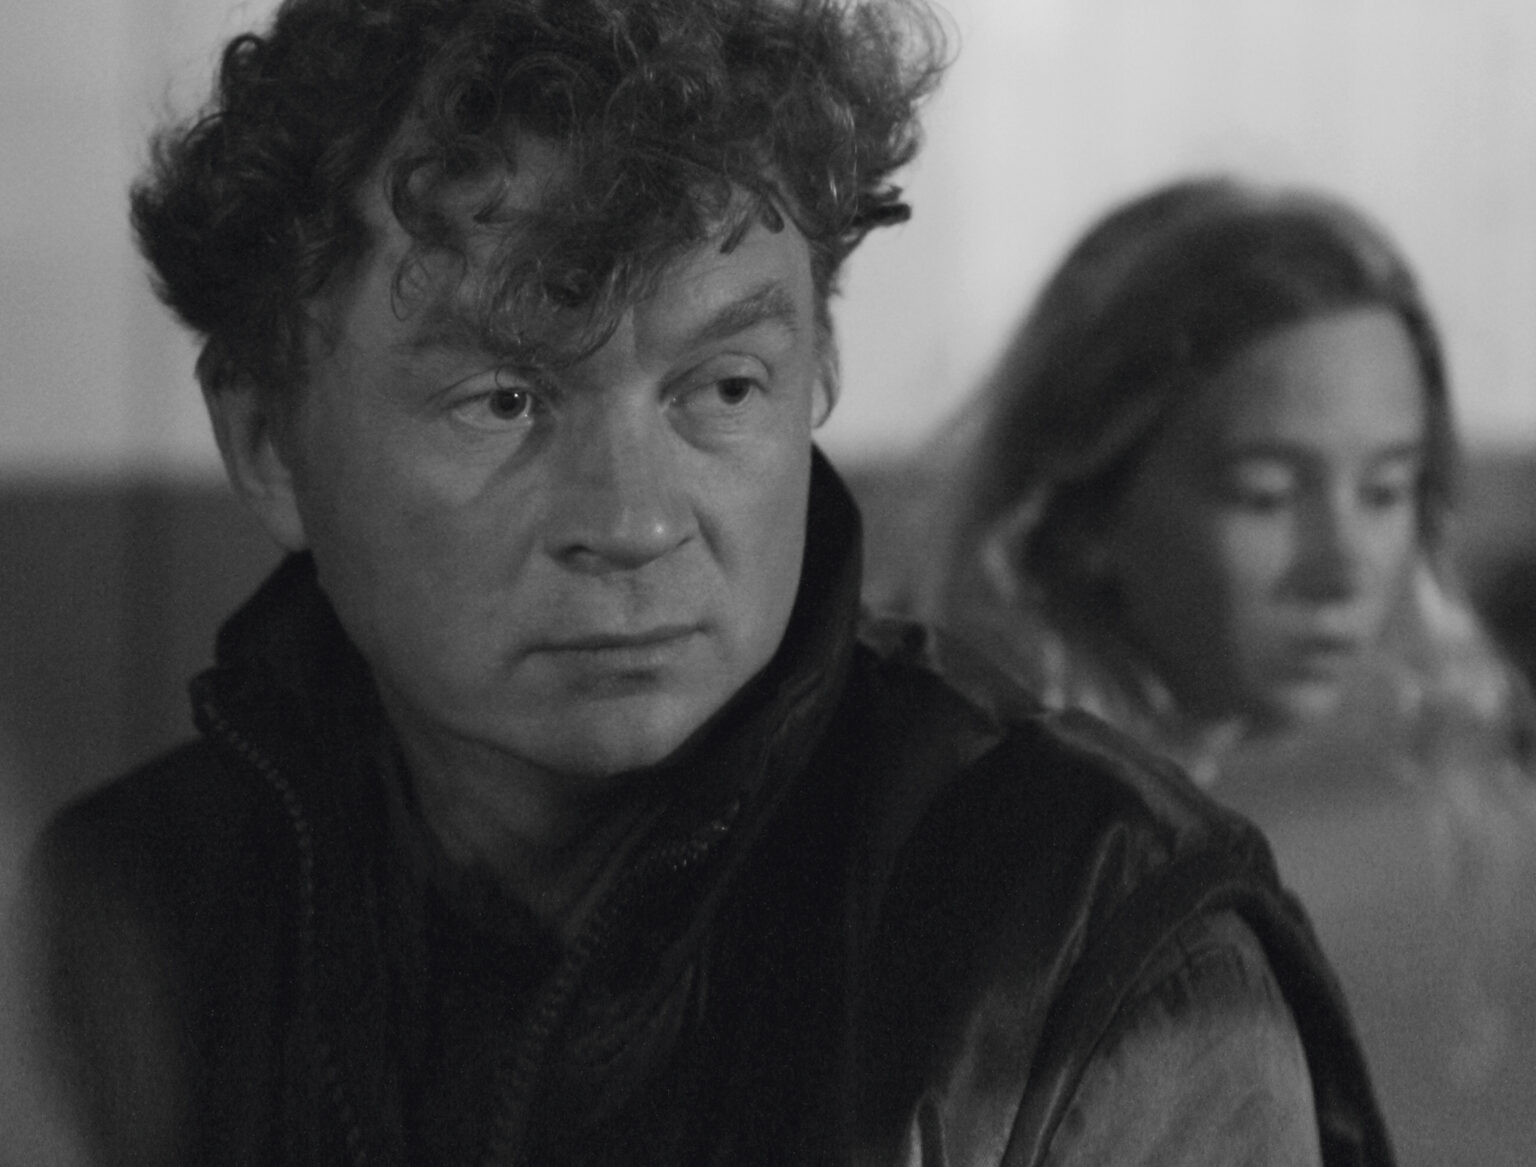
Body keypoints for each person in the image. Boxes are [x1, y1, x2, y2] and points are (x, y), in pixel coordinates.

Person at [9, 8, 1389, 1164]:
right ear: (266, 441)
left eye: (723, 387)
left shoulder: (1083, 946)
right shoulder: (120, 916)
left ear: (817, 376)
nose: (636, 521)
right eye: (505, 400)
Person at [908, 176, 1536, 1166]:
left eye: (1386, 489)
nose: (1344, 565)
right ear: (1084, 510)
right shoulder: (1017, 876)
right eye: (1267, 493)